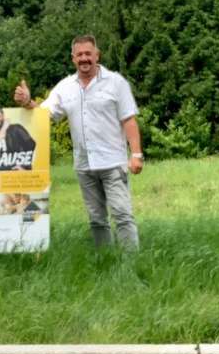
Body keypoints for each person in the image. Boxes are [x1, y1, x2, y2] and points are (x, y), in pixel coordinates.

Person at [13, 34, 143, 250]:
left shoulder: (116, 82)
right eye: (79, 54)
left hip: (113, 162)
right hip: (84, 166)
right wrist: (27, 102)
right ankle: (105, 259)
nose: (84, 58)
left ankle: (132, 263)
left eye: (88, 54)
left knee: (122, 215)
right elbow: (45, 114)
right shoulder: (65, 87)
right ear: (73, 58)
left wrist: (136, 154)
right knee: (96, 219)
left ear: (97, 55)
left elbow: (128, 119)